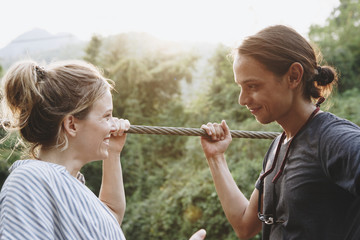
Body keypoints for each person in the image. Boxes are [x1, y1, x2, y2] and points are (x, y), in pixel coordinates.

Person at [0, 60, 206, 240]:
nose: (113, 124)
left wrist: (113, 153)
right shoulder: (30, 180)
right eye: (106, 116)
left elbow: (109, 220)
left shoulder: (68, 183)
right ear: (71, 125)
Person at [200, 25, 360, 240]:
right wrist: (216, 157)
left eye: (253, 86)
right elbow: (245, 226)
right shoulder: (278, 146)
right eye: (241, 87)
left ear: (293, 76)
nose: (242, 100)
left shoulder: (333, 139)